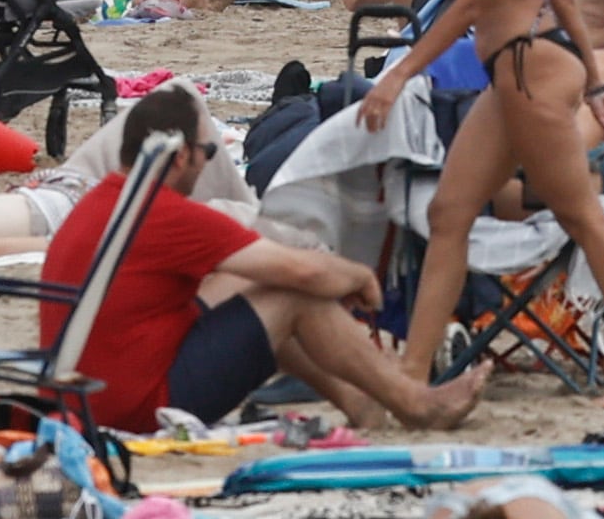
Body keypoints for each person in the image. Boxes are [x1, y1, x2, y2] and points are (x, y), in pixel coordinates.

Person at [38, 82, 484, 432]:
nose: (208, 164)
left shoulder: (105, 199)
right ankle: (414, 404)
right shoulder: (167, 213)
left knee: (265, 286)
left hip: (82, 393)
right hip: (133, 407)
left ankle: (363, 400)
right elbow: (304, 271)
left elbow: (275, 269)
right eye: (207, 153)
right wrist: (359, 277)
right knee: (295, 297)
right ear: (179, 158)